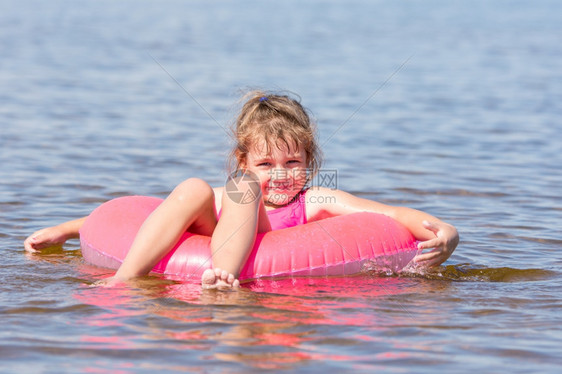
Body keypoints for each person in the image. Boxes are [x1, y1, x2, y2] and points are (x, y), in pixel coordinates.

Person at [24, 91, 459, 289]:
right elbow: (153, 214)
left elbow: (392, 215)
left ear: (310, 163)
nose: (281, 174)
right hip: (214, 230)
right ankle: (126, 280)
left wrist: (445, 231)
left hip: (232, 267)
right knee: (201, 188)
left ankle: (223, 276)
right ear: (242, 160)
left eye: (293, 163)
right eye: (266, 163)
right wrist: (69, 228)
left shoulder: (316, 200)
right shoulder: (236, 188)